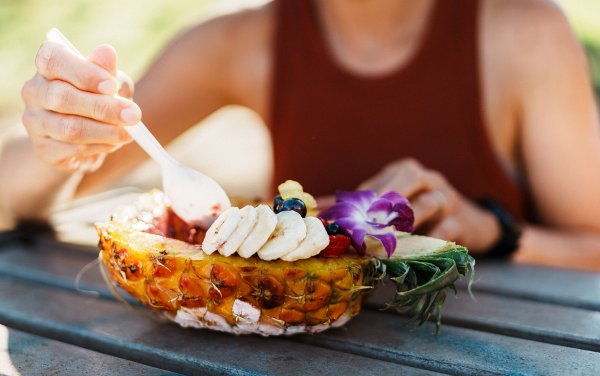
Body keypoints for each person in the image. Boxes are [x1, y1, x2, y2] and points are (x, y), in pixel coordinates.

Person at [0, 0, 599, 269]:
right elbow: (13, 191)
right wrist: (59, 135)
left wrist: (492, 230)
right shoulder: (237, 43)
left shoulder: (525, 34)